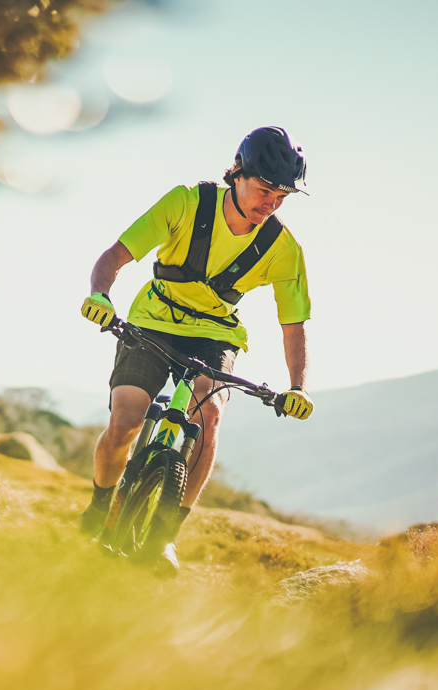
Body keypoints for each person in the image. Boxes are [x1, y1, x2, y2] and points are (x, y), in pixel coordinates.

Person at [78, 126, 316, 575]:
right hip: (153, 320)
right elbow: (114, 256)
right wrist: (101, 295)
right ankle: (101, 501)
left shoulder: (284, 249)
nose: (272, 204)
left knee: (209, 414)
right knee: (125, 422)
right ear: (238, 174)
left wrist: (297, 387)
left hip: (215, 333)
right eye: (265, 190)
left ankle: (165, 538)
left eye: (282, 197)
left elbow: (294, 326)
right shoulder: (186, 202)